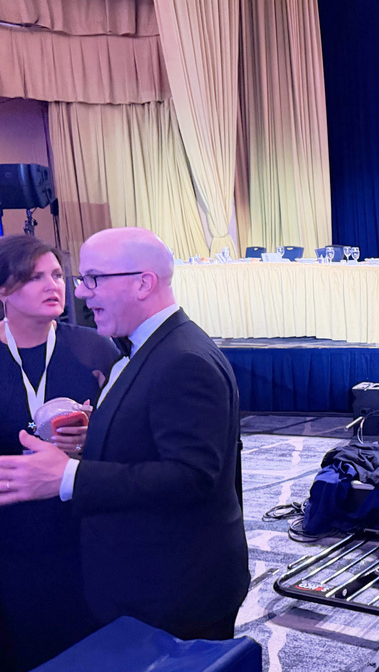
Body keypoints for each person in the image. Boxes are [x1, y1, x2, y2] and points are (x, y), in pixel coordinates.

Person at [0, 227, 249, 643]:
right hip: (148, 579)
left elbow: (191, 476)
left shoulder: (182, 359)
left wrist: (67, 476)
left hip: (176, 590)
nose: (79, 293)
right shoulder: (151, 349)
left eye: (92, 278)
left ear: (143, 283)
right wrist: (92, 440)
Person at [0, 235, 119, 672]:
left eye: (56, 275)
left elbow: (123, 442)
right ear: (2, 291)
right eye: (34, 277)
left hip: (79, 525)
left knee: (83, 643)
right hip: (9, 532)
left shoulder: (95, 348)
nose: (54, 286)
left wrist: (89, 442)